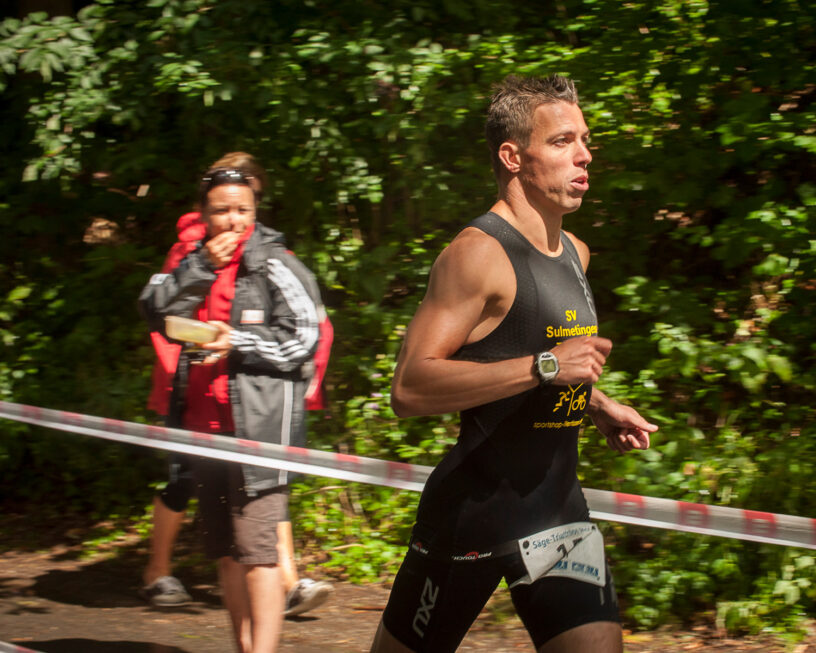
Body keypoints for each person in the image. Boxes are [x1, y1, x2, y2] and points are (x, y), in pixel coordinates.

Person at [371, 74, 658, 653]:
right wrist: (548, 368)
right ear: (513, 157)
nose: (584, 154)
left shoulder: (575, 253)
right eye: (562, 141)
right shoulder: (476, 254)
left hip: (557, 513)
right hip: (472, 517)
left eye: (585, 140)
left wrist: (595, 402)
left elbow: (526, 352)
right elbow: (410, 386)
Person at [139, 152, 334, 619]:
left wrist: (302, 382)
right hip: (189, 387)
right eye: (224, 208)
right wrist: (201, 266)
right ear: (207, 208)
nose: (235, 219)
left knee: (265, 488)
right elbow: (160, 313)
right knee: (183, 481)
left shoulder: (271, 257)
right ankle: (157, 572)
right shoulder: (189, 249)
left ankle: (288, 582)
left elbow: (307, 330)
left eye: (246, 205)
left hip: (249, 395)